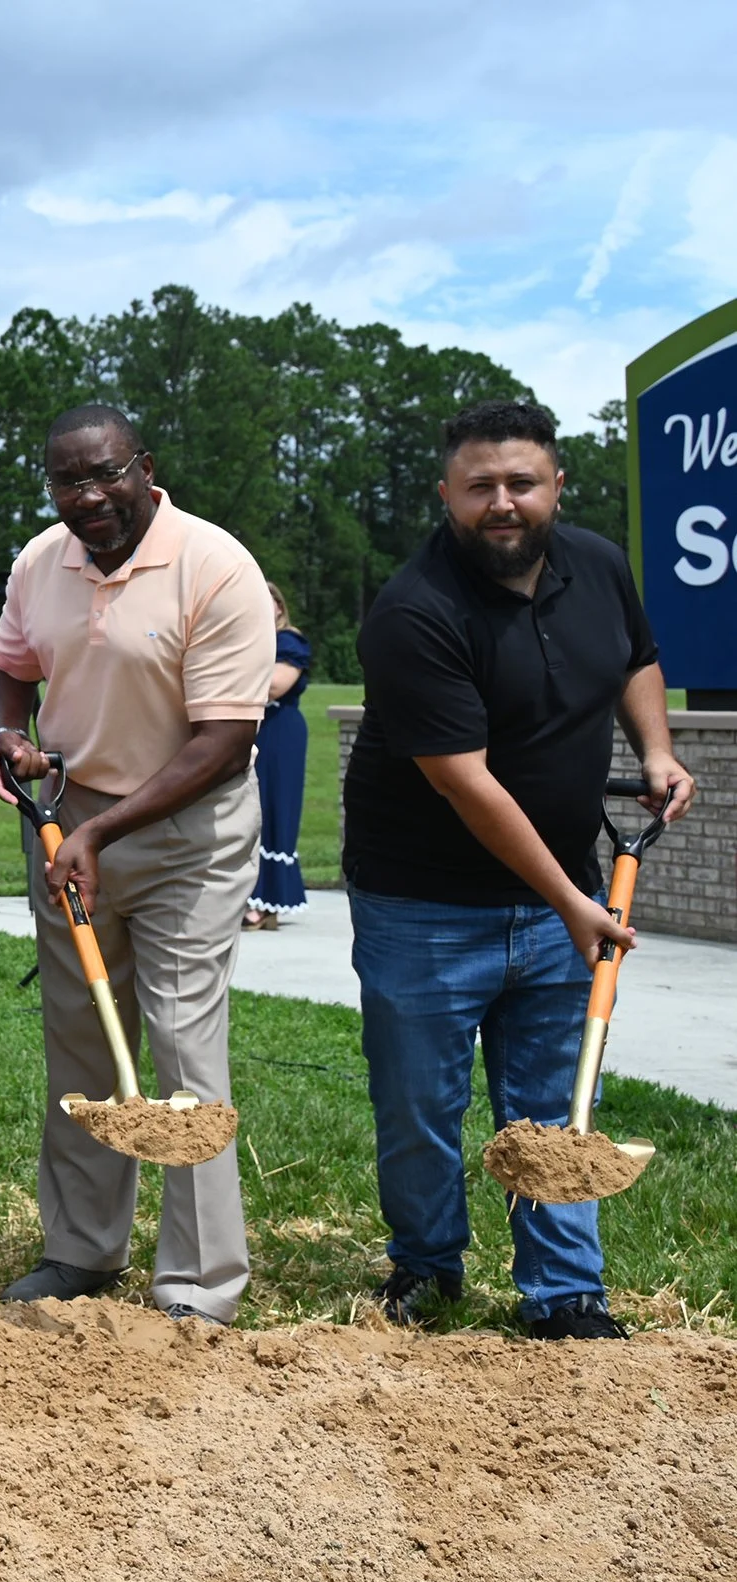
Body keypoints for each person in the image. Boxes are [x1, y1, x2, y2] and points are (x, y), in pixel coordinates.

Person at [343, 399, 693, 1340]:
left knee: (551, 1099)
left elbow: (639, 659)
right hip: (422, 905)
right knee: (421, 1105)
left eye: (522, 483)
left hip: (557, 897)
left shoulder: (599, 564)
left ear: (556, 485)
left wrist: (654, 750)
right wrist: (574, 901)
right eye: (481, 487)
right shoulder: (415, 612)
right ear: (447, 494)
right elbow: (468, 785)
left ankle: (564, 1290)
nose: (503, 503)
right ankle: (427, 1261)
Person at [0, 404, 272, 1326]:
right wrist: (3, 729)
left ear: (145, 466)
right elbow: (7, 667)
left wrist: (103, 835)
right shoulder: (41, 561)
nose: (90, 496)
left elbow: (224, 743)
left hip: (188, 828)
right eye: (68, 481)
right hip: (69, 822)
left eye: (106, 474)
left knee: (184, 1044)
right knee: (84, 1040)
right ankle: (80, 1250)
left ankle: (197, 1282)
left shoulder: (214, 565)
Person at [246, 583, 312, 929]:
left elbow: (275, 685)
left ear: (279, 605)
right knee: (249, 809)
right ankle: (248, 894)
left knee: (274, 806)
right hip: (249, 732)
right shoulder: (243, 638)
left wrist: (231, 669)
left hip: (280, 732)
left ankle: (266, 901)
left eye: (266, 596)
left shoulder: (289, 642)